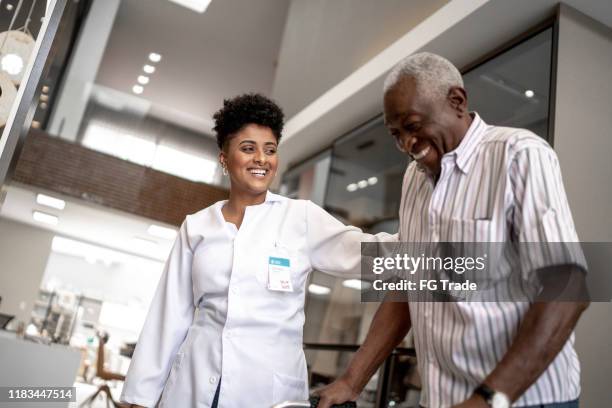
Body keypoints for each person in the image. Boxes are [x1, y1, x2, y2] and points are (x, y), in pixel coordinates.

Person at [317, 53, 589, 408]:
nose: (406, 145)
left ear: (457, 102)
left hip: (523, 399)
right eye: (396, 134)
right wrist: (351, 382)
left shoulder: (519, 154)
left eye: (413, 126)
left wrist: (488, 399)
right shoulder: (415, 179)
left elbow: (567, 286)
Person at [120, 93, 395, 408]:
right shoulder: (197, 227)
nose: (261, 159)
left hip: (268, 391)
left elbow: (372, 255)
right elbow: (169, 316)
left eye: (270, 150)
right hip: (195, 386)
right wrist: (139, 398)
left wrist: (449, 252)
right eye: (248, 149)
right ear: (224, 159)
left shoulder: (300, 218)